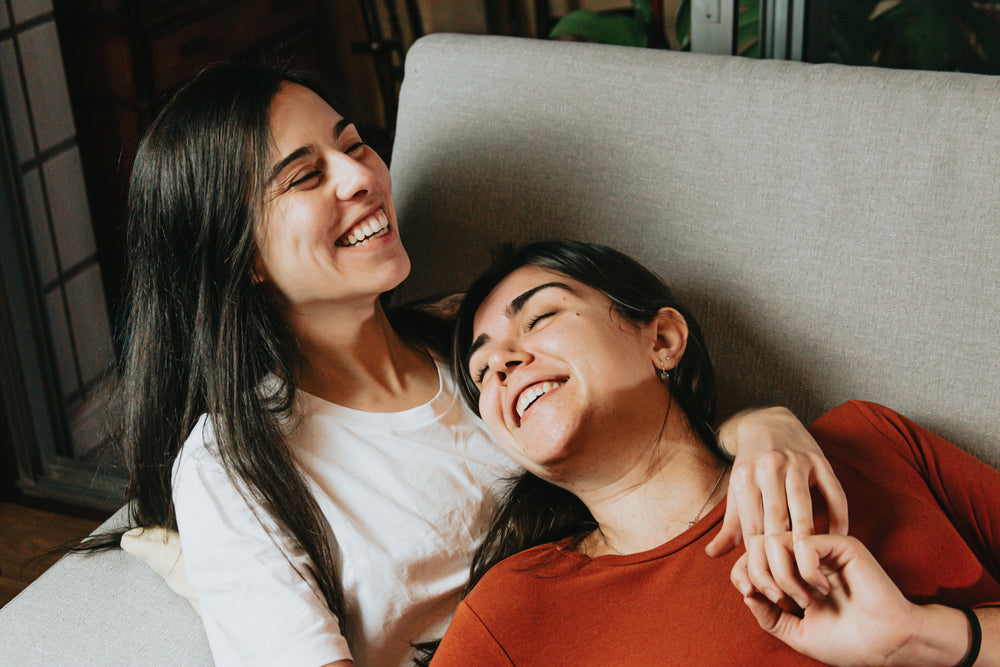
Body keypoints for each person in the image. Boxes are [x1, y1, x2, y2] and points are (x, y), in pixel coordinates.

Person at [97, 62, 850, 667]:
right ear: (242, 258)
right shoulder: (233, 465)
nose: (362, 177)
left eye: (353, 143)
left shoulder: (481, 339)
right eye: (304, 176)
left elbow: (653, 431)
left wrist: (760, 426)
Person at [432, 239, 1000, 666]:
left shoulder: (868, 443)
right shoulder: (511, 614)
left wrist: (921, 637)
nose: (502, 364)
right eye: (482, 372)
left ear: (662, 340)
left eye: (540, 317)